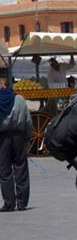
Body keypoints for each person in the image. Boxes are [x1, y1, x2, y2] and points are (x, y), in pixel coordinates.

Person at [0, 78, 32, 211]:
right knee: (21, 168)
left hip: (3, 138)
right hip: (19, 136)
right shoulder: (19, 99)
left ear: (2, 85)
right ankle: (22, 202)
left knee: (4, 170)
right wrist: (28, 137)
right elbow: (27, 120)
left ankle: (9, 203)